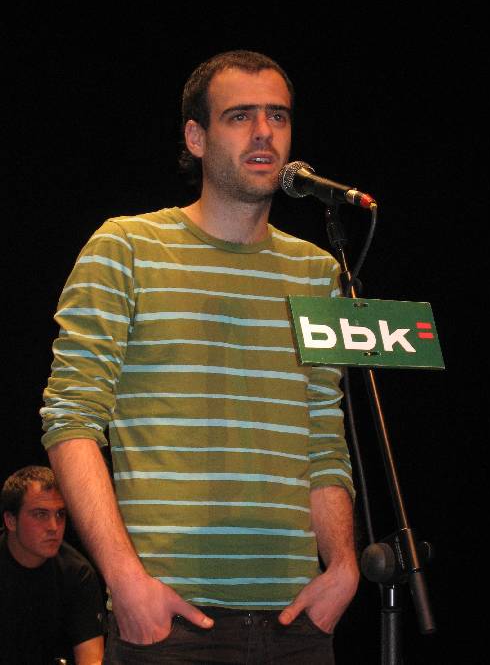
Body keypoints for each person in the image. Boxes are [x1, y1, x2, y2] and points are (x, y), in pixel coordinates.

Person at [41, 50, 359, 664]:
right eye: (240, 116)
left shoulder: (317, 272)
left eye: (277, 116)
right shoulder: (126, 247)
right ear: (196, 137)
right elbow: (71, 418)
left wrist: (342, 567)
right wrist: (124, 581)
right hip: (170, 620)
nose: (263, 131)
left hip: (297, 621)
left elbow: (323, 432)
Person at [0, 465, 105, 665]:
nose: (54, 527)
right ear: (11, 521)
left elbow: (91, 659)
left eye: (60, 514)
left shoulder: (78, 574)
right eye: (41, 514)